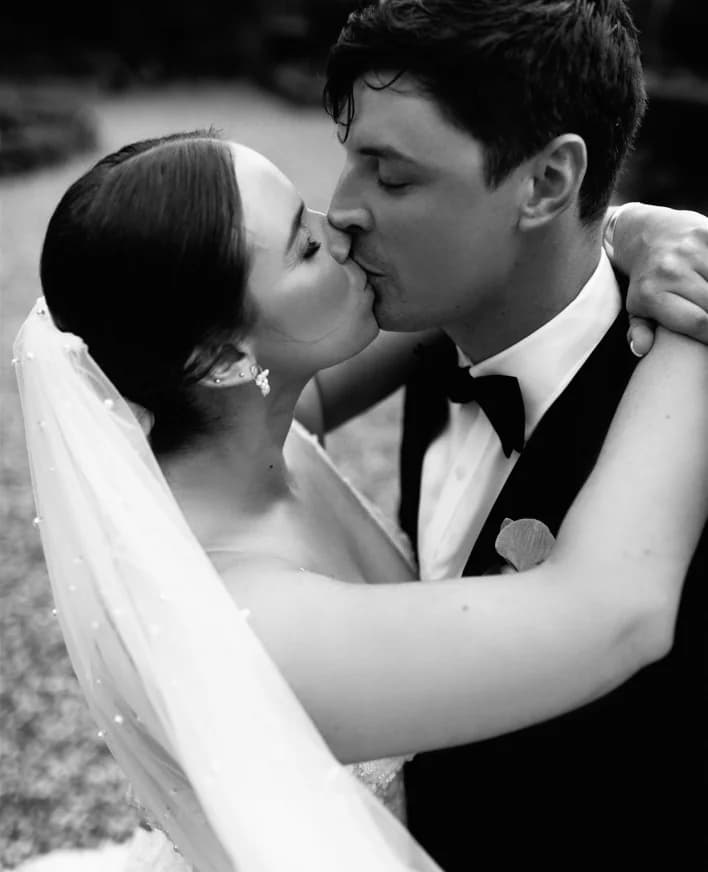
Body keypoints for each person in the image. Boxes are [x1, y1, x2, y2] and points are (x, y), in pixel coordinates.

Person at [15, 126, 708, 872]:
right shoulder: (247, 616)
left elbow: (494, 278)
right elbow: (613, 611)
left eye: (308, 208)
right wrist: (699, 310)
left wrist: (621, 225)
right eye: (303, 247)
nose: (339, 226)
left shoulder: (248, 431)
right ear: (222, 358)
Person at [321, 0, 707, 868]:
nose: (339, 211)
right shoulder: (434, 330)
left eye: (392, 177)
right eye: (349, 160)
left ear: (546, 183)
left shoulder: (686, 407)